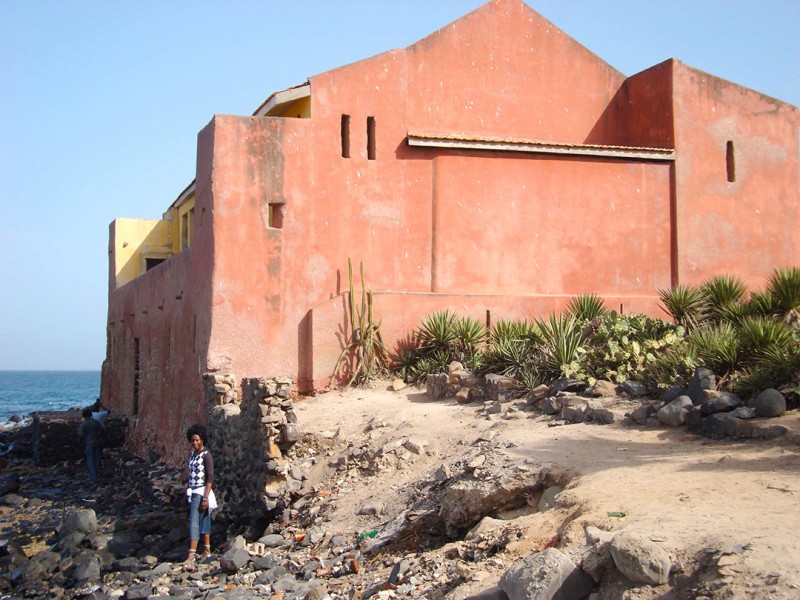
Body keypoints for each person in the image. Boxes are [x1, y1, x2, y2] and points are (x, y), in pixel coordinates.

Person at [185, 424, 216, 563]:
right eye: (192, 441)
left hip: (201, 492)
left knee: (195, 523)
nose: (195, 443)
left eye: (197, 440)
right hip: (193, 491)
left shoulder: (206, 455)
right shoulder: (192, 454)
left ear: (202, 439)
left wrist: (205, 497)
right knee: (204, 519)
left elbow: (210, 476)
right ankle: (206, 549)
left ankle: (191, 554)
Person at [78, 408, 103, 480]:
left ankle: (93, 476)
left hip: (89, 443)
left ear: (84, 416)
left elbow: (81, 435)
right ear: (91, 415)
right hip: (97, 441)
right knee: (97, 458)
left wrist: (79, 442)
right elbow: (101, 431)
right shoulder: (96, 422)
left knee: (90, 459)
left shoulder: (83, 425)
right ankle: (97, 472)